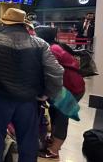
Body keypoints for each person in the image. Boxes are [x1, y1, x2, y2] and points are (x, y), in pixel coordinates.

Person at [0, 8, 64, 162]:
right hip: (28, 101)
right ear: (24, 24)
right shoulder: (40, 43)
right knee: (28, 140)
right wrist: (48, 93)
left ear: (4, 22)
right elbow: (57, 71)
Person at [35, 27, 86, 160]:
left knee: (61, 118)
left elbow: (52, 72)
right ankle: (53, 141)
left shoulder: (51, 50)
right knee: (55, 113)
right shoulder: (55, 46)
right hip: (70, 86)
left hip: (70, 88)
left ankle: (54, 151)